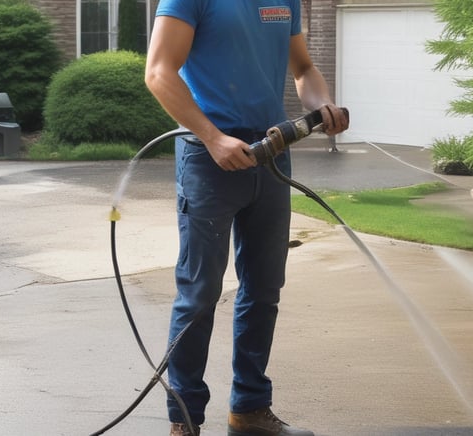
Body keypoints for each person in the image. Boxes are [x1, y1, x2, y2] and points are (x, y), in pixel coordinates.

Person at [144, 1, 349, 436]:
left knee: (264, 287)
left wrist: (324, 103)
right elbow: (159, 71)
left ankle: (250, 409)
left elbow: (305, 68)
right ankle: (185, 418)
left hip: (272, 154)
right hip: (208, 156)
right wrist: (213, 137)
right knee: (200, 292)